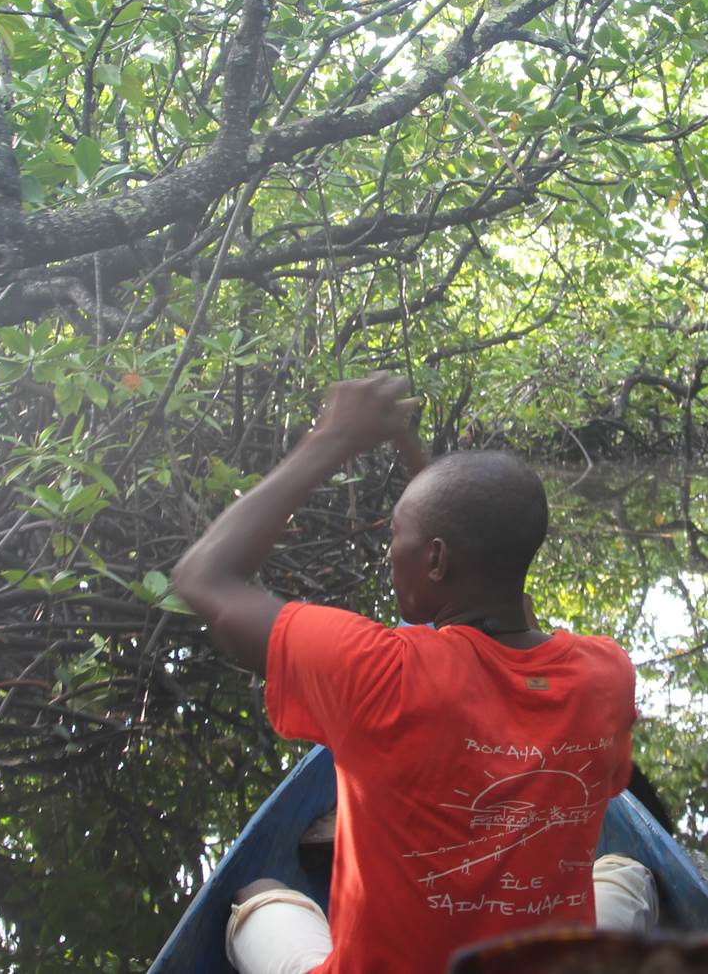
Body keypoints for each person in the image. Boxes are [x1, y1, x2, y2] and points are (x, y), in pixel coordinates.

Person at [171, 371, 658, 974]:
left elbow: (203, 580)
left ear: (434, 559)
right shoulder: (604, 675)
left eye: (396, 536)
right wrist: (435, 503)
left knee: (257, 898)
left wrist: (330, 440)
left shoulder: (375, 672)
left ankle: (258, 906)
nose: (387, 549)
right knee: (627, 873)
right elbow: (504, 604)